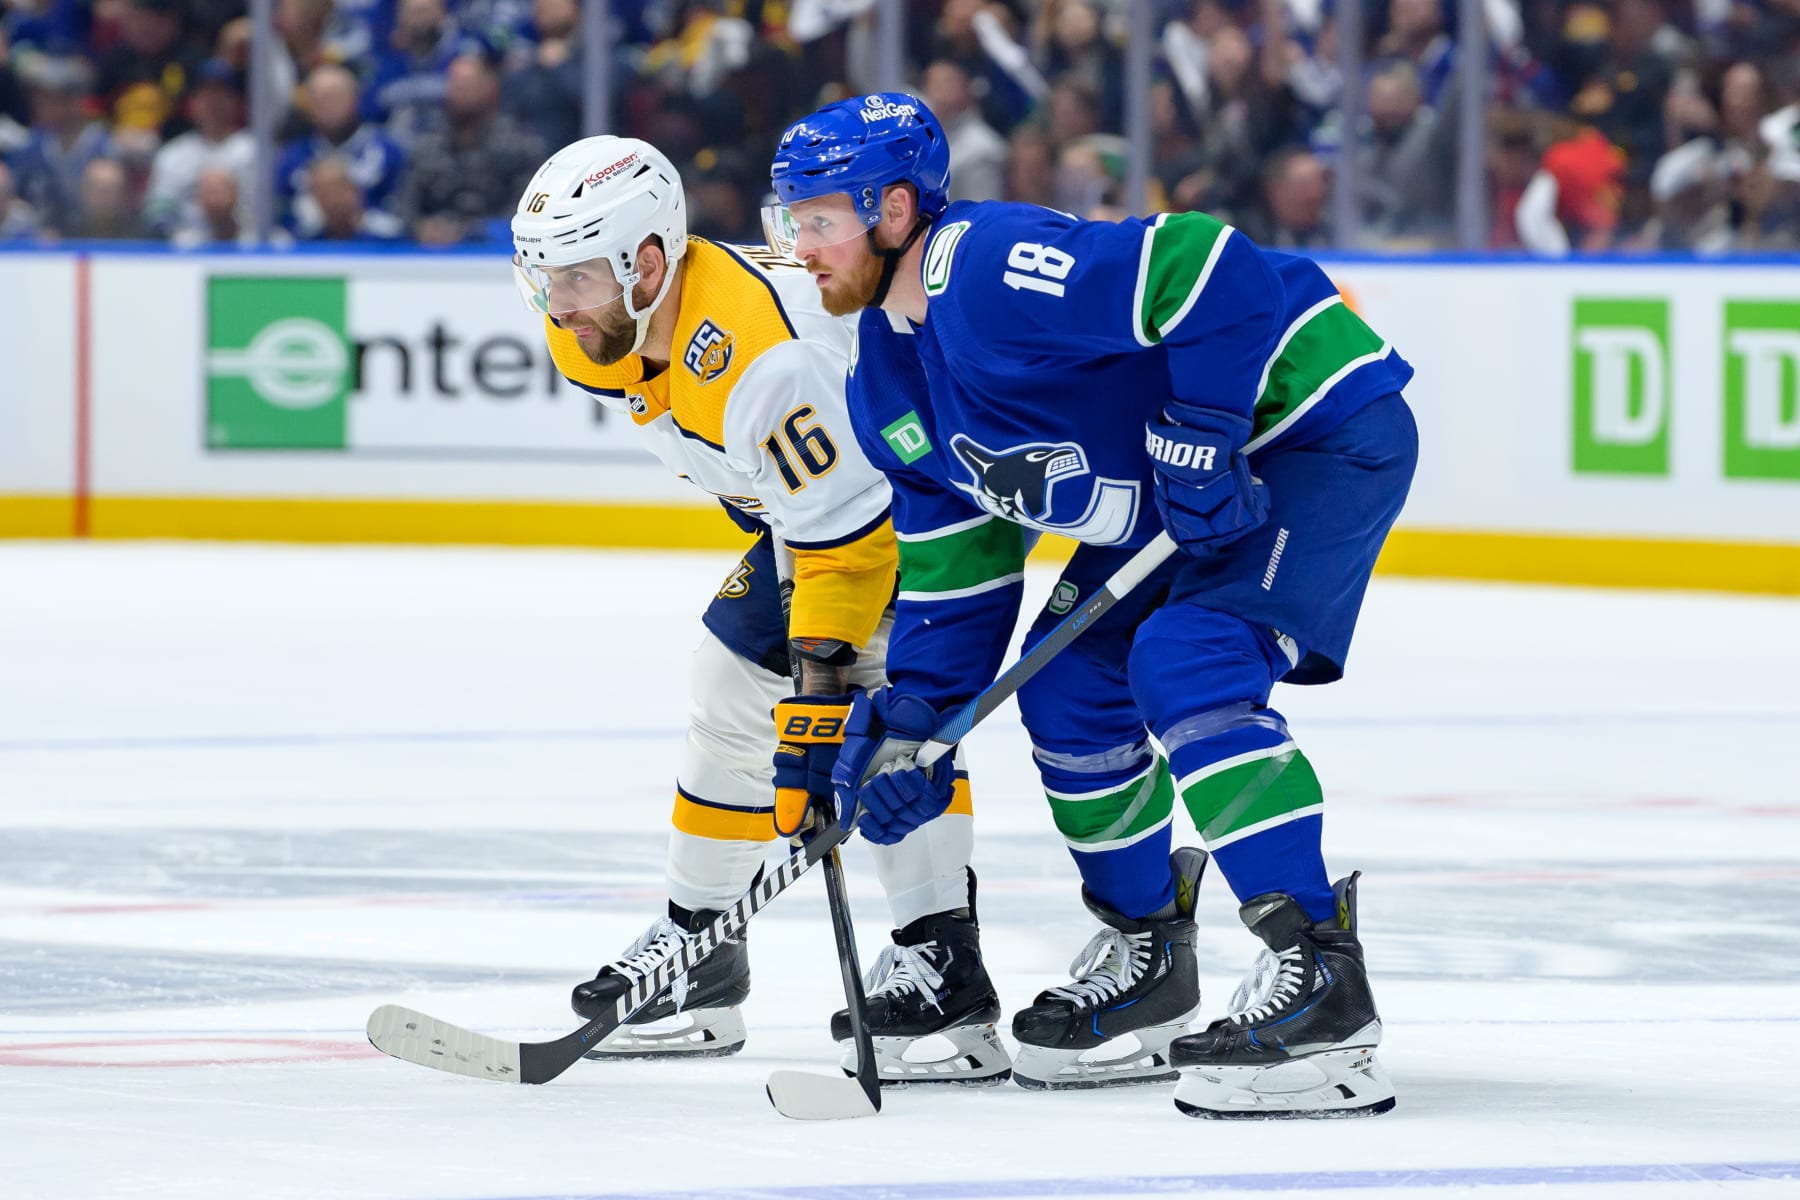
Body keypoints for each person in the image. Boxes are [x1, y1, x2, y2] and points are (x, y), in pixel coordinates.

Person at [765, 93, 1416, 1114]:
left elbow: (1212, 266)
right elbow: (958, 580)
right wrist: (913, 727)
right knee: (1067, 688)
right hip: (1176, 500)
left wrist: (1204, 422)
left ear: (895, 211)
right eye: (789, 222)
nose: (800, 248)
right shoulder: (886, 382)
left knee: (1188, 661)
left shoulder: (980, 266)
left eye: (818, 221)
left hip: (1310, 431)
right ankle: (1151, 951)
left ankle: (1323, 975)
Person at [509, 135, 1008, 1083]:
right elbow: (800, 512)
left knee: (882, 715)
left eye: (573, 279)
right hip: (822, 514)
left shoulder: (763, 359)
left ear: (646, 262)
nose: (556, 308)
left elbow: (855, 539)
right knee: (732, 674)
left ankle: (945, 968)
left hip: (918, 497)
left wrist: (820, 686)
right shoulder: (597, 327)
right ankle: (700, 951)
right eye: (541, 281)